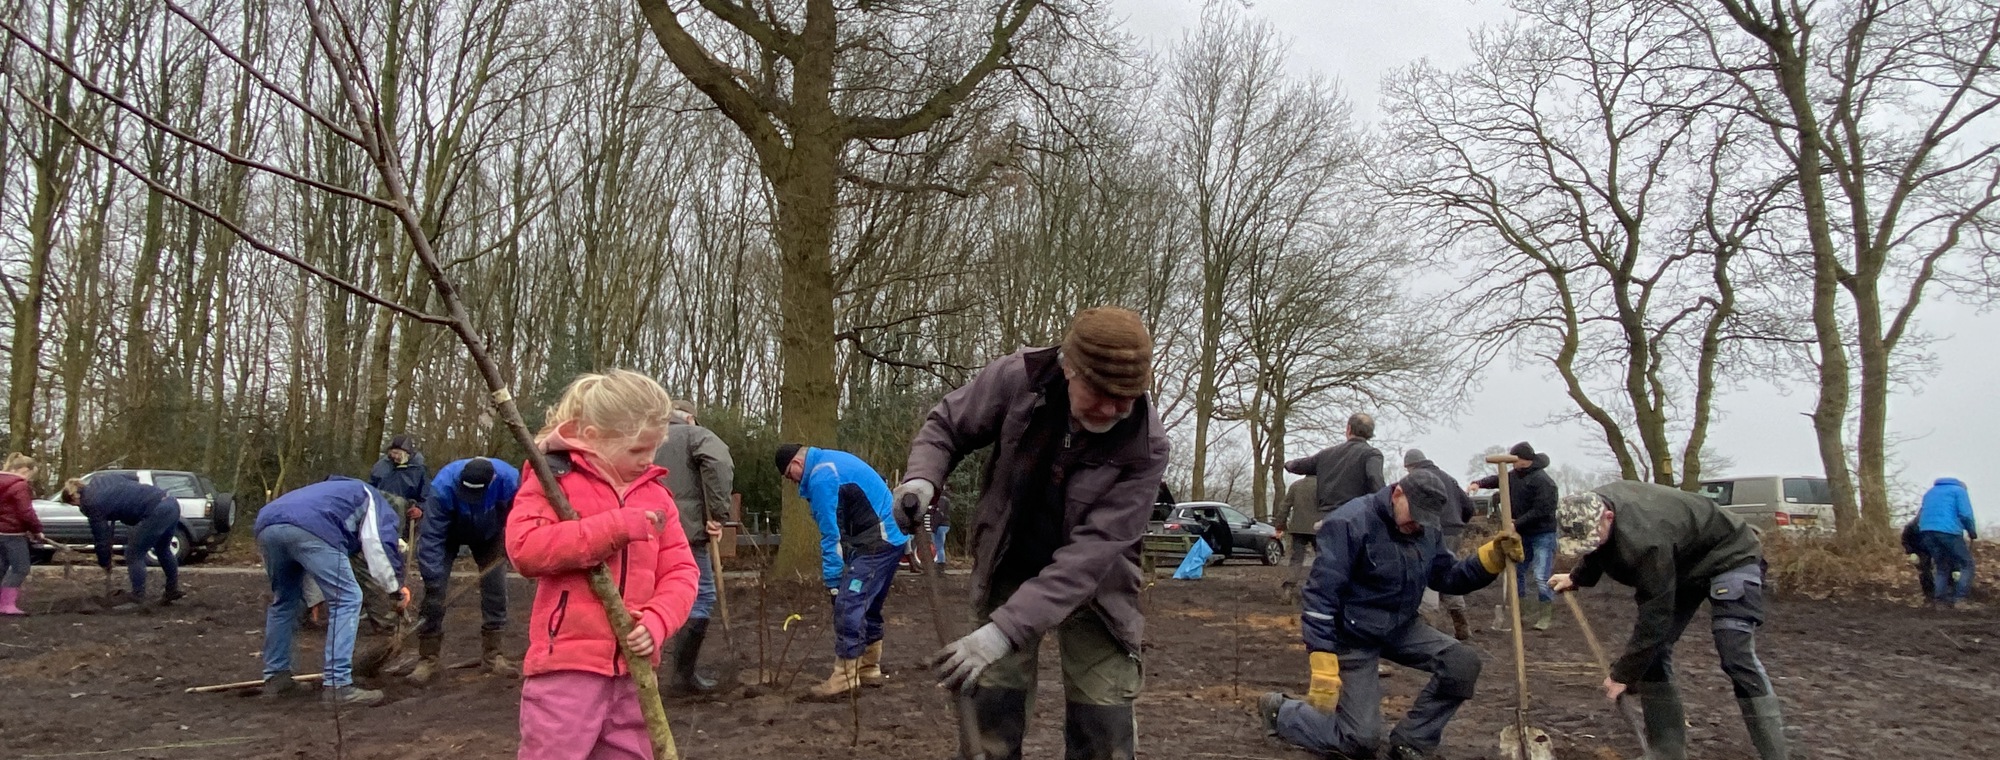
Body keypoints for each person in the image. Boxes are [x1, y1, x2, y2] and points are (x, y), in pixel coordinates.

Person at [898, 306, 1170, 759]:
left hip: (1097, 589)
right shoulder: (1018, 379)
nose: (1111, 408)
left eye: (1125, 397)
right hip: (1012, 561)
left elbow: (1089, 557)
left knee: (1103, 725)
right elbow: (947, 425)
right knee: (992, 716)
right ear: (1068, 369)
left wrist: (999, 634)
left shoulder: (1145, 446)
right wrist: (923, 478)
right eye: (1099, 392)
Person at [1256, 470, 1522, 760]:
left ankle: (1412, 741)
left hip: (1401, 627)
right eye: (1414, 515)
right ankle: (1282, 711)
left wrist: (1491, 558)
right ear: (1397, 494)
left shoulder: (1425, 529)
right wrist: (1322, 658)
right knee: (1360, 741)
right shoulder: (1350, 522)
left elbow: (1447, 577)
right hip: (1352, 634)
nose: (1417, 525)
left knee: (1462, 663)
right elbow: (1321, 595)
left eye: (1424, 519)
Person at [506, 370, 699, 759]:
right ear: (591, 436)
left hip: (636, 673)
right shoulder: (553, 480)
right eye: (635, 451)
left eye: (653, 450)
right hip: (567, 668)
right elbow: (526, 548)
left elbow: (681, 571)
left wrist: (659, 620)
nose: (647, 461)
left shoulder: (658, 497)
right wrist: (614, 528)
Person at [1550, 480, 1790, 760]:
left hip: (1731, 555)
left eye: (1592, 537)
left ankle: (1775, 755)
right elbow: (1598, 547)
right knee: (1652, 655)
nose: (1587, 546)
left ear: (1609, 517)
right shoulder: (1593, 508)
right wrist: (1577, 577)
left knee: (1734, 652)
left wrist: (1623, 675)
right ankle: (1666, 752)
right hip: (1682, 562)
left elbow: (1656, 615)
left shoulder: (1647, 539)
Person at [254, 476, 410, 706]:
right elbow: (377, 546)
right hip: (310, 528)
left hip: (268, 525)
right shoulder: (374, 499)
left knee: (285, 600)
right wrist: (395, 590)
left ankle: (276, 677)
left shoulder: (331, 491)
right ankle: (339, 685)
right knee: (347, 598)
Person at [777, 442, 908, 700]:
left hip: (877, 542)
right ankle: (869, 668)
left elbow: (831, 535)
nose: (791, 482)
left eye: (788, 475)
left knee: (848, 603)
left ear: (796, 464)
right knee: (868, 605)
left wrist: (834, 582)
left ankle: (845, 677)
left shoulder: (822, 477)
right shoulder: (832, 462)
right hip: (890, 538)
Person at [405, 456, 522, 685]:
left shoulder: (510, 481)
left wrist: (515, 540)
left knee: (495, 589)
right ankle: (428, 658)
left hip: (490, 534)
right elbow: (431, 538)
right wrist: (433, 579)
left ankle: (492, 655)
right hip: (449, 533)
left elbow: (521, 514)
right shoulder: (443, 487)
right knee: (434, 592)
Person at [652, 399, 734, 695]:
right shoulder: (693, 434)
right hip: (685, 530)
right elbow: (719, 462)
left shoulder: (641, 436)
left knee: (647, 593)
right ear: (689, 418)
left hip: (641, 528)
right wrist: (718, 513)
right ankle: (682, 676)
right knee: (701, 595)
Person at [1283, 414, 1385, 597]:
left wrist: (1288, 464)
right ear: (1370, 434)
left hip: (1328, 521)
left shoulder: (1326, 455)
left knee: (1330, 567)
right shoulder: (1372, 454)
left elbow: (1299, 465)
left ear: (1348, 429)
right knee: (1357, 568)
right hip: (1357, 519)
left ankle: (1323, 606)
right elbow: (1375, 481)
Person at [1469, 441, 1559, 630]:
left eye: (1514, 460)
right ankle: (1521, 612)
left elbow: (1542, 510)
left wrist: (1516, 523)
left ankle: (1545, 616)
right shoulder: (1515, 476)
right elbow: (1498, 479)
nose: (1511, 464)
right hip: (1521, 534)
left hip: (1542, 533)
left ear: (1523, 460)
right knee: (1516, 571)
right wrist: (1478, 483)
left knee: (1541, 575)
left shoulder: (1544, 482)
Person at [63, 474, 183, 611]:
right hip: (171, 503)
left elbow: (101, 538)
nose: (77, 507)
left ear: (74, 497)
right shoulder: (100, 479)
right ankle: (172, 590)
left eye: (73, 504)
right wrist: (118, 500)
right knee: (163, 549)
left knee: (133, 553)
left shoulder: (90, 503)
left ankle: (138, 597)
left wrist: (105, 562)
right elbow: (133, 477)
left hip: (156, 510)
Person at [1405, 449, 1476, 640]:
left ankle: (1428, 627)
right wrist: (1457, 523)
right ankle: (1460, 620)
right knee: (1448, 572)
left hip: (1432, 530)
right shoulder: (1448, 478)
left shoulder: (1418, 479)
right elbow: (1469, 506)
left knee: (1428, 573)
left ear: (1410, 466)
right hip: (1454, 531)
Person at [1916, 477, 1978, 609]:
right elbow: (1965, 514)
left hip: (1927, 531)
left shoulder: (1930, 492)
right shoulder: (1959, 491)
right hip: (1948, 531)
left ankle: (1939, 601)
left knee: (1942, 566)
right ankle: (1960, 599)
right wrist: (1971, 530)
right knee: (1967, 564)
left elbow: (1922, 513)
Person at [0, 454, 50, 616]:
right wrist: (36, 530)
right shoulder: (19, 485)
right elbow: (26, 512)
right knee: (20, 568)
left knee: (1, 566)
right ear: (24, 470)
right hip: (12, 532)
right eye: (30, 475)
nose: (29, 479)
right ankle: (6, 604)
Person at [1901, 517, 1936, 602]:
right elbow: (1905, 540)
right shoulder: (1911, 526)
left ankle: (1942, 590)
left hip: (1934, 547)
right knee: (1924, 570)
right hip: (1920, 550)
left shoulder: (1934, 523)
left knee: (1942, 568)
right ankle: (1929, 592)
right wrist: (1911, 552)